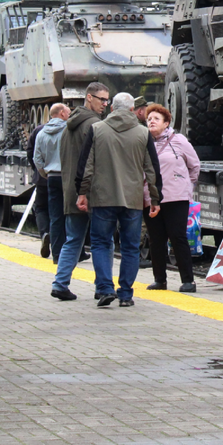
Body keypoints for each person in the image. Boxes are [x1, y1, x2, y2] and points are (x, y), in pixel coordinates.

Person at [75, 92, 161, 308]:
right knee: (130, 247)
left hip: (103, 197)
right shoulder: (143, 133)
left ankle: (104, 288)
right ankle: (125, 294)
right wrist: (155, 198)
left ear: (112, 108)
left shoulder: (97, 130)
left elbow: (86, 166)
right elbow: (152, 169)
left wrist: (82, 192)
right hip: (132, 200)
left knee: (102, 243)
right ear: (133, 110)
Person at [49, 82, 108, 300]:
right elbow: (98, 162)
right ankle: (103, 287)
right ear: (89, 97)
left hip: (71, 191)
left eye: (107, 100)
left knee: (73, 239)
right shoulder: (94, 125)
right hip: (92, 192)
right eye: (102, 99)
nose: (105, 104)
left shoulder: (69, 126)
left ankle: (60, 283)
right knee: (103, 240)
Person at [143, 103, 201, 292]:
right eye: (149, 118)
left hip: (176, 198)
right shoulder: (142, 142)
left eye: (156, 118)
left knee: (178, 237)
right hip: (151, 198)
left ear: (166, 123)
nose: (151, 121)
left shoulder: (179, 141)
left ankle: (188, 281)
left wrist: (185, 185)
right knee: (155, 239)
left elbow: (194, 165)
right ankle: (160, 279)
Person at [33, 104, 70, 264]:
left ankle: (56, 255)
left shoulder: (41, 133)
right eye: (68, 111)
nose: (70, 113)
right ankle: (71, 252)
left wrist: (45, 173)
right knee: (69, 214)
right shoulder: (68, 131)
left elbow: (37, 159)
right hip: (67, 177)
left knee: (55, 216)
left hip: (52, 177)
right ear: (61, 113)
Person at [27, 123, 50, 257]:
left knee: (40, 208)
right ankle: (55, 237)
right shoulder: (66, 128)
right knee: (56, 209)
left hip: (41, 178)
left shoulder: (38, 130)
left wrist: (37, 169)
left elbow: (30, 152)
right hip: (59, 176)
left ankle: (44, 233)